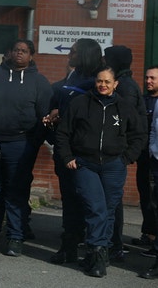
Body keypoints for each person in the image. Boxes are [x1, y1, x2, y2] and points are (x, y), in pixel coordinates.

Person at [55, 65, 146, 278]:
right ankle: (97, 254)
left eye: (107, 82)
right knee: (96, 207)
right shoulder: (80, 103)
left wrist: (126, 158)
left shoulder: (124, 107)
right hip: (86, 164)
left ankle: (98, 252)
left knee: (108, 210)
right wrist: (68, 157)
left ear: (115, 84)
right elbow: (63, 133)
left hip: (114, 165)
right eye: (99, 81)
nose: (102, 85)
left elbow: (139, 135)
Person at [0, 39, 52, 256]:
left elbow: (45, 116)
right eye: (16, 50)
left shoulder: (39, 82)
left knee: (16, 192)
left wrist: (34, 143)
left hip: (21, 144)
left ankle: (15, 237)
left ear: (31, 55)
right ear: (10, 52)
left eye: (24, 51)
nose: (19, 54)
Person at [43, 38, 103, 264]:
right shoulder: (73, 76)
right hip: (64, 148)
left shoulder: (96, 80)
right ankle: (68, 246)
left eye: (74, 52)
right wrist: (56, 111)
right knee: (69, 200)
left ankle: (94, 251)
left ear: (86, 54)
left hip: (84, 151)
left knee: (88, 201)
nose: (69, 54)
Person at [103, 45, 146, 260]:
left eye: (107, 58)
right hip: (117, 153)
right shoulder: (125, 83)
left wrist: (125, 156)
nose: (103, 60)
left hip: (117, 155)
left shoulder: (125, 87)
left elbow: (124, 122)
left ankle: (114, 245)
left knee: (113, 202)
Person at [137, 66, 158, 249]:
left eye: (153, 78)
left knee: (153, 199)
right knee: (145, 196)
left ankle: (153, 238)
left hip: (155, 159)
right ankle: (147, 233)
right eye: (147, 77)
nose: (148, 81)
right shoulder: (142, 101)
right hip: (144, 158)